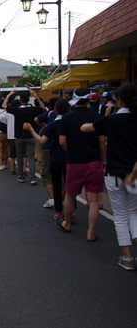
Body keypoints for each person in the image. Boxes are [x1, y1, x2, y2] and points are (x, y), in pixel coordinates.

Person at [81, 84, 137, 269]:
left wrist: (106, 115)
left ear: (119, 101)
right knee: (133, 212)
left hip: (114, 173)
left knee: (121, 215)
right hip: (134, 174)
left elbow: (85, 128)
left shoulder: (111, 120)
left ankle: (128, 257)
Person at [57, 88, 102, 241]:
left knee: (70, 195)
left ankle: (67, 223)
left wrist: (71, 151)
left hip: (74, 161)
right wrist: (103, 159)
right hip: (94, 161)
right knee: (94, 199)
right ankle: (91, 232)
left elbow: (62, 141)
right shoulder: (96, 116)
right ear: (89, 100)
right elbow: (101, 140)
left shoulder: (67, 118)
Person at [24, 98, 70, 221]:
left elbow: (42, 140)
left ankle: (58, 209)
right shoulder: (72, 122)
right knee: (68, 182)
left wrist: (31, 130)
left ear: (55, 109)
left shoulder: (52, 125)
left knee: (54, 180)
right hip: (70, 157)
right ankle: (72, 210)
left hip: (55, 155)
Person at [3, 90, 44, 185]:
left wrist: (9, 95)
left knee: (20, 157)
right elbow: (42, 107)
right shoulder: (33, 109)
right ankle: (32, 178)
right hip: (31, 135)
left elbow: (4, 106)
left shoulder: (17, 110)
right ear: (29, 99)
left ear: (20, 100)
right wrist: (37, 96)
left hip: (19, 136)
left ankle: (21, 176)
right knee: (31, 158)